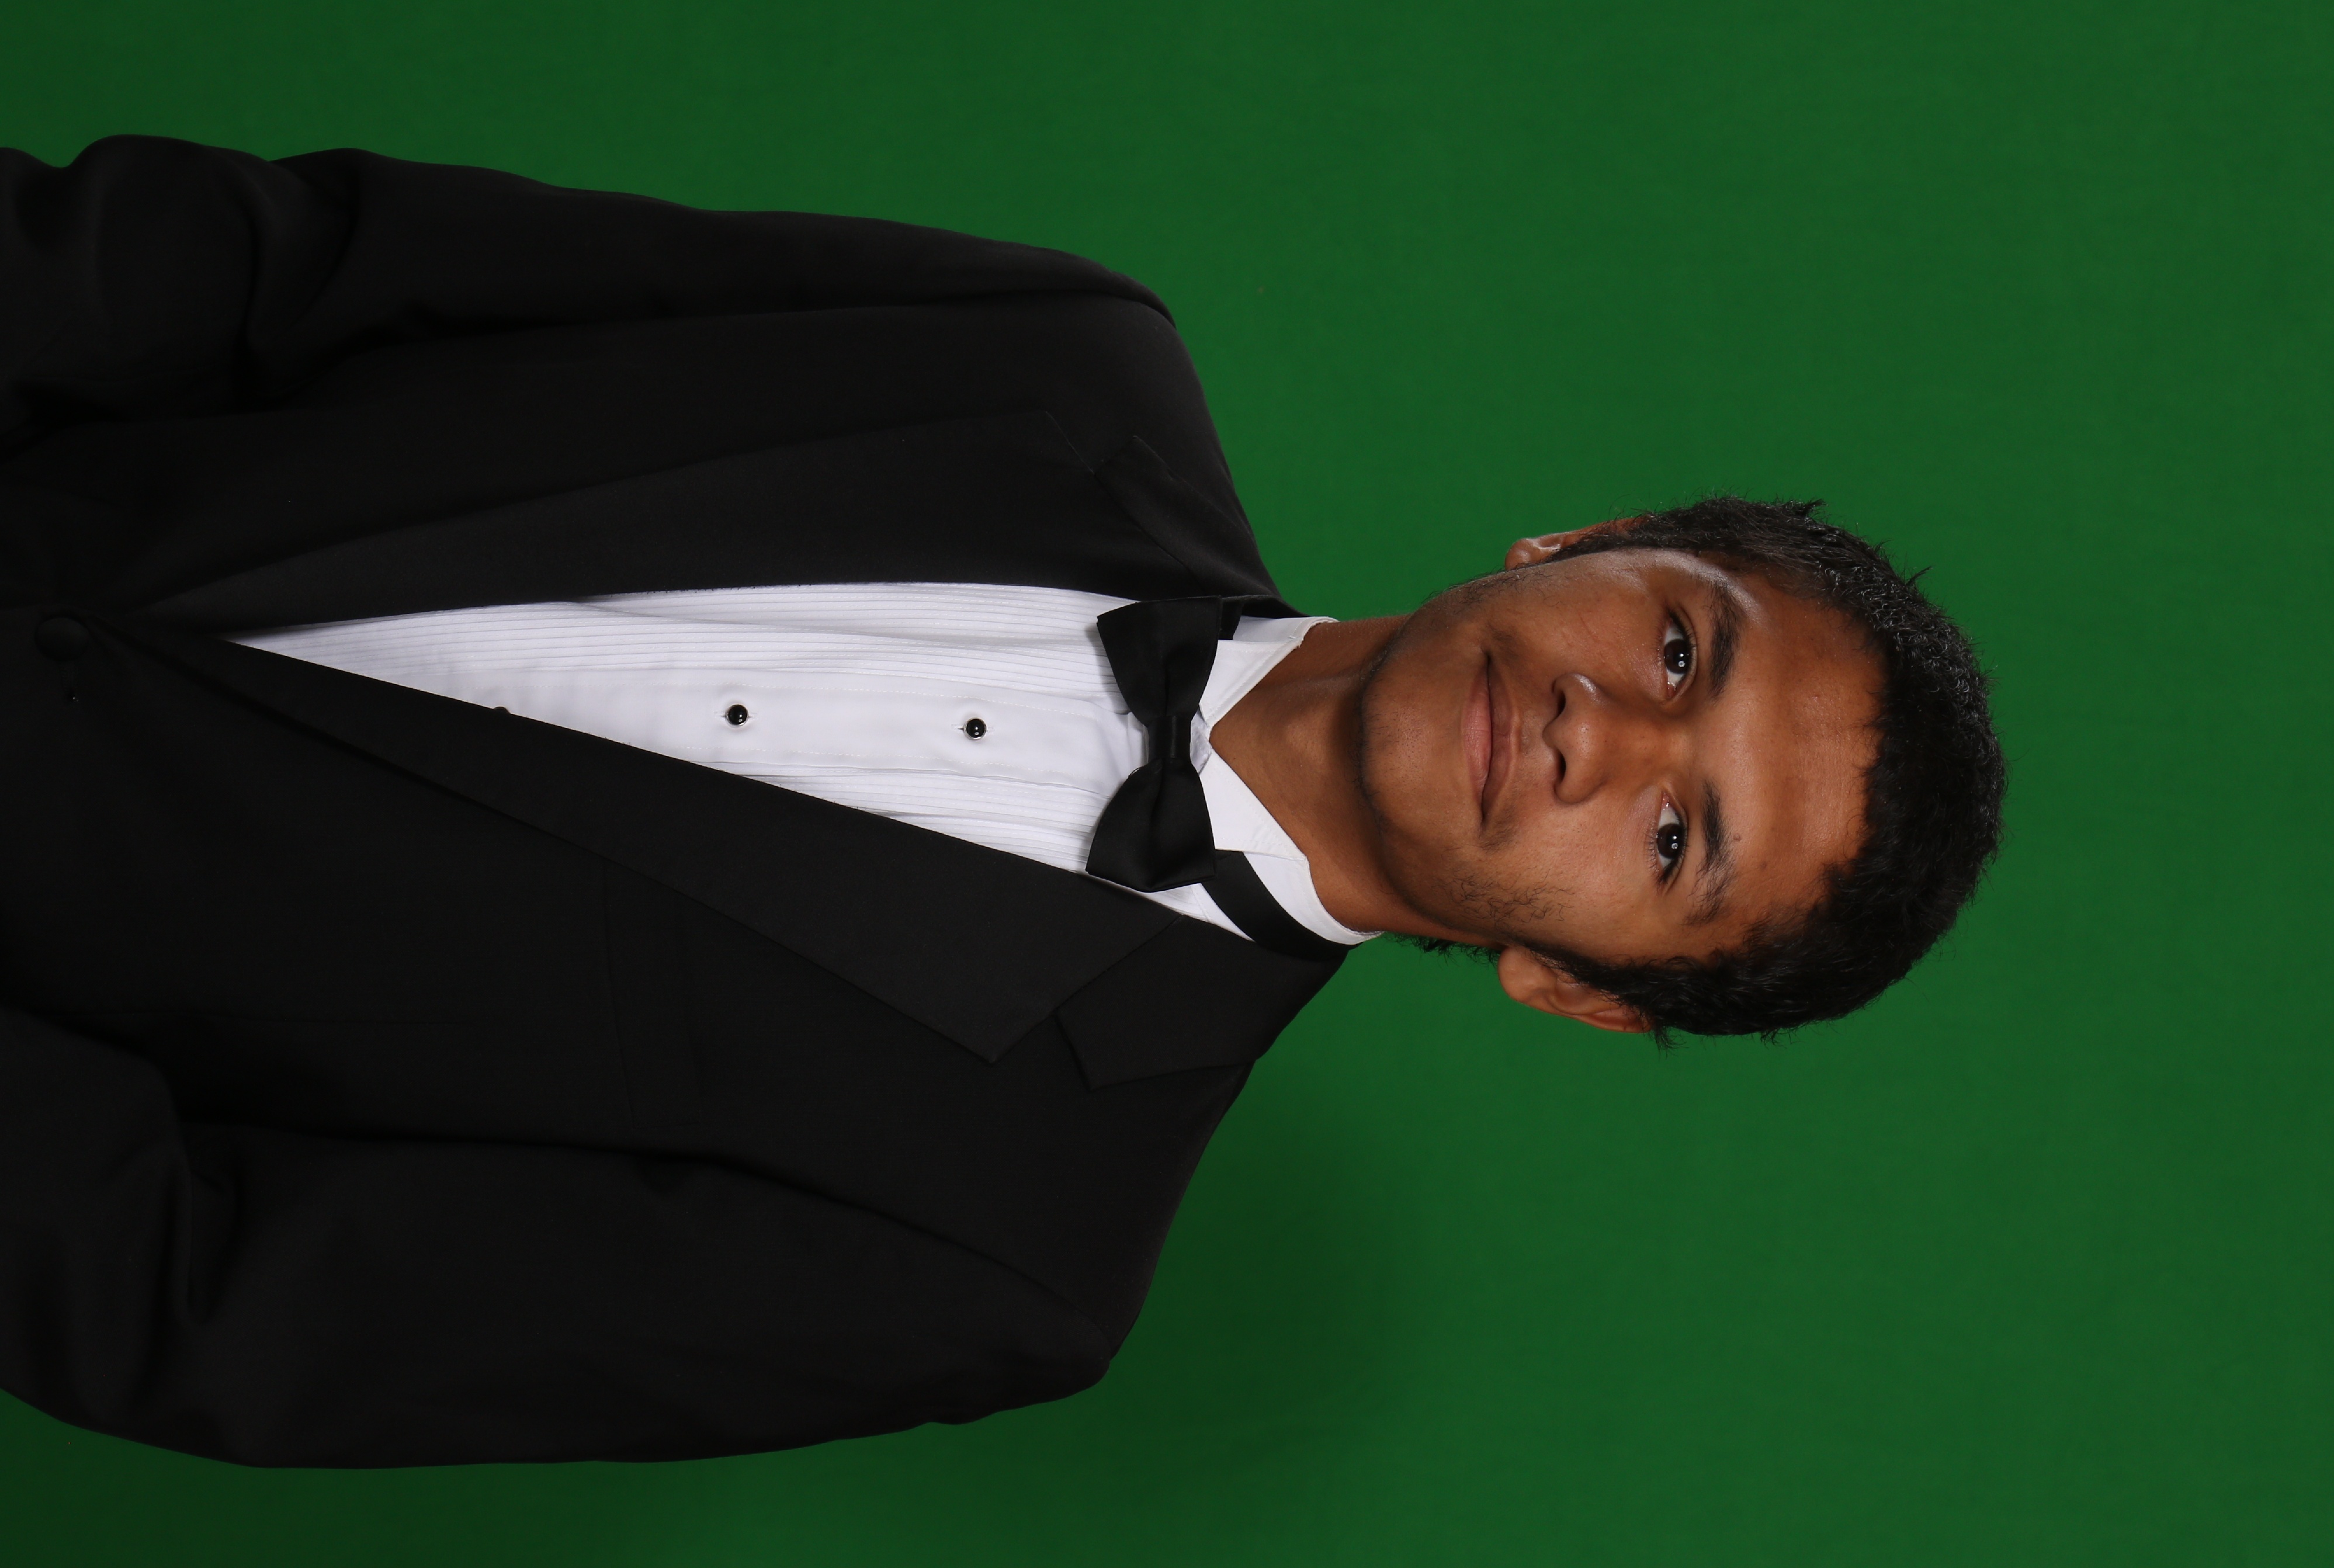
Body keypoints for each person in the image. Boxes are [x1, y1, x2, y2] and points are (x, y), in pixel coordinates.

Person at [0, 137, 2004, 1468]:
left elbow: (207, 1297)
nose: (1603, 737)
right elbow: (314, 270)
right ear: (1597, 537)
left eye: (1675, 843)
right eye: (1682, 649)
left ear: (1577, 990)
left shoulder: (1009, 1259)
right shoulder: (1059, 357)